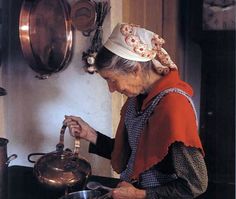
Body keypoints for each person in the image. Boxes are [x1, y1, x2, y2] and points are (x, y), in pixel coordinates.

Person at [63, 23, 208, 199]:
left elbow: (195, 185)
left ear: (135, 70)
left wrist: (140, 194)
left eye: (112, 80)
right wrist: (90, 134)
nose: (111, 89)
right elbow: (134, 154)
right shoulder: (136, 100)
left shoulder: (174, 106)